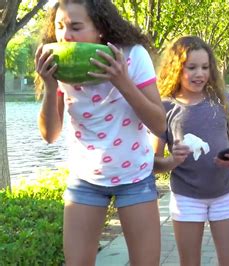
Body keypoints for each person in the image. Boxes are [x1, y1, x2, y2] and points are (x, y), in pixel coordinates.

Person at [34, 0, 166, 265]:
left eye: (76, 27)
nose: (65, 36)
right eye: (60, 27)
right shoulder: (60, 65)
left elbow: (160, 125)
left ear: (100, 29)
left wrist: (123, 81)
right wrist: (50, 87)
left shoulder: (132, 55)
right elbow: (50, 135)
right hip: (85, 179)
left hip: (135, 176)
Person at [153, 35, 229, 266]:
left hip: (225, 194)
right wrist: (172, 161)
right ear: (176, 68)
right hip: (187, 198)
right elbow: (153, 162)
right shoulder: (165, 106)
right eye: (191, 67)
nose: (199, 74)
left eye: (204, 67)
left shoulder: (222, 100)